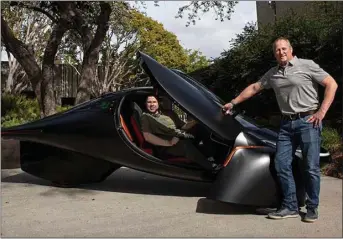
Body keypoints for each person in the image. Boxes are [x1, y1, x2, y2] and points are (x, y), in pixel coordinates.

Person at [222, 37, 338, 222]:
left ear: (291, 50)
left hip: (308, 122)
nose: (281, 52)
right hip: (286, 125)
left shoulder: (307, 65)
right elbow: (254, 87)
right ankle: (290, 206)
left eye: (284, 49)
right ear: (274, 53)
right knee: (281, 165)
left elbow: (331, 84)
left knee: (311, 167)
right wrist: (233, 102)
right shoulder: (273, 74)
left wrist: (322, 111)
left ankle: (312, 207)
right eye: (277, 50)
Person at [141, 95, 222, 171]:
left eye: (154, 102)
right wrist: (168, 143)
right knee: (185, 144)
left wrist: (196, 120)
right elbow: (147, 137)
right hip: (166, 145)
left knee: (201, 129)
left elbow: (183, 127)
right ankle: (211, 167)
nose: (152, 104)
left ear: (158, 103)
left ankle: (211, 156)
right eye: (149, 102)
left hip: (179, 136)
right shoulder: (146, 117)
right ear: (145, 104)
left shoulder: (169, 113)